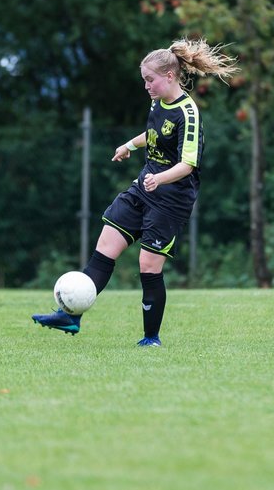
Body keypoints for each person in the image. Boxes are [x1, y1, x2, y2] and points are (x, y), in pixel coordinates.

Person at [32, 39, 239, 346]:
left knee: (148, 265)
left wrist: (161, 179)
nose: (146, 86)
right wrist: (130, 145)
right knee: (106, 244)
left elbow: (188, 164)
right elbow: (155, 133)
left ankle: (151, 338)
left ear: (169, 76)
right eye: (144, 80)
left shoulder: (189, 113)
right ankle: (71, 317)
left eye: (150, 80)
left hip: (172, 199)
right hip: (145, 187)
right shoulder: (157, 102)